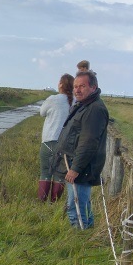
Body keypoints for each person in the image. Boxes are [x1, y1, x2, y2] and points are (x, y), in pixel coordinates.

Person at [53, 70, 109, 229]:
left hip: (82, 167)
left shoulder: (94, 109)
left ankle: (80, 237)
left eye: (82, 86)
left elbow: (88, 142)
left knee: (76, 206)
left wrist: (76, 168)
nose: (77, 90)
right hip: (76, 163)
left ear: (93, 87)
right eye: (75, 86)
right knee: (82, 203)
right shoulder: (85, 105)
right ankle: (87, 232)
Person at [37, 74, 73, 202]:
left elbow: (42, 112)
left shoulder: (53, 99)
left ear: (61, 85)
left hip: (48, 141)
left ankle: (41, 202)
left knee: (45, 172)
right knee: (60, 175)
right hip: (65, 146)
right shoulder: (74, 102)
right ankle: (54, 203)